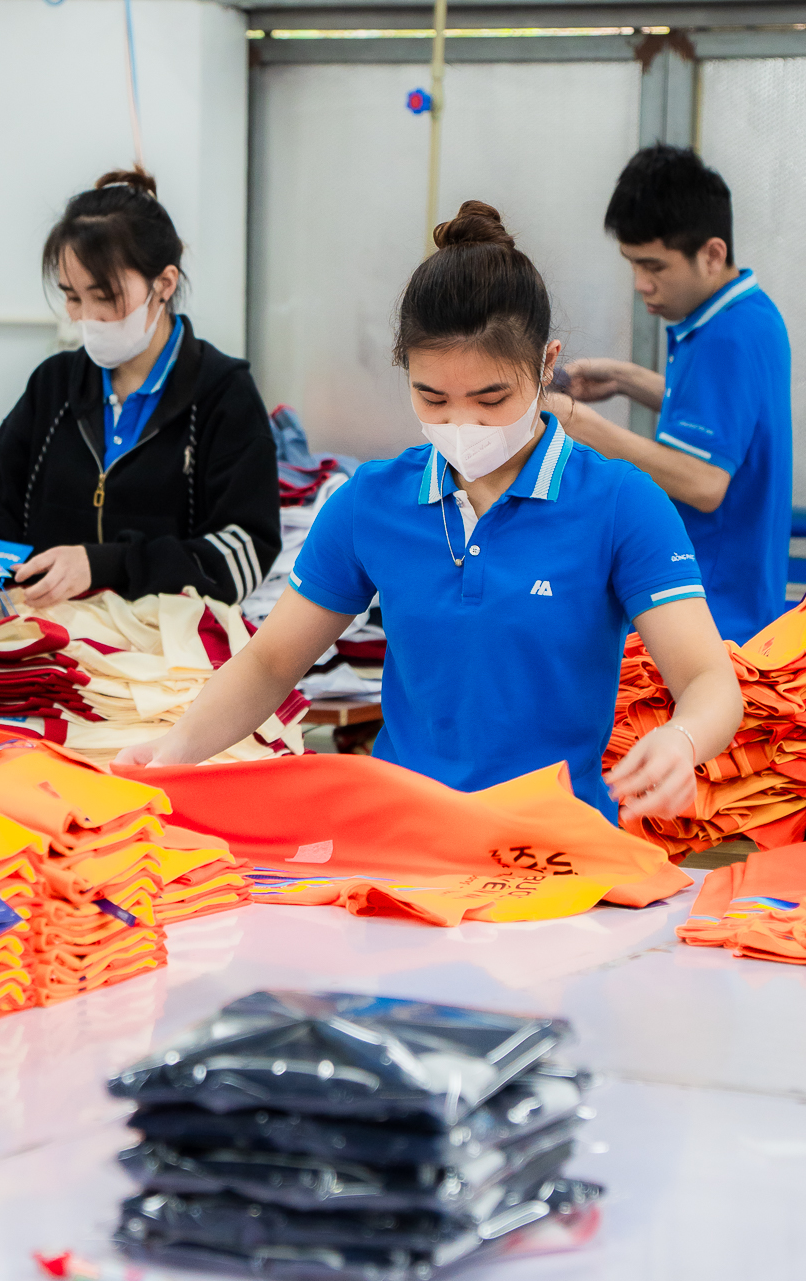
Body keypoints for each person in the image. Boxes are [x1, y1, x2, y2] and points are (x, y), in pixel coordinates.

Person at [115, 201, 743, 829]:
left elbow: (708, 680)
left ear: (546, 364)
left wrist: (683, 739)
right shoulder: (370, 502)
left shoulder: (620, 503)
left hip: (555, 846)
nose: (461, 422)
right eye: (432, 398)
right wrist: (175, 751)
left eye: (491, 398)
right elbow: (271, 662)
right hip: (404, 839)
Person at [0, 167, 280, 607]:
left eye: (104, 297)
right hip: (51, 637)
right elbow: (3, 510)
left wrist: (104, 566)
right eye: (72, 297)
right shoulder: (52, 387)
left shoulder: (221, 394)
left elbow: (244, 551)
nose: (85, 316)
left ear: (164, 284)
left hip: (165, 643)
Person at [556, 144, 792, 643]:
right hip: (739, 606)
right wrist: (624, 379)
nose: (641, 285)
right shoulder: (752, 314)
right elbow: (730, 418)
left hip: (716, 618)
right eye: (632, 265)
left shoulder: (724, 337)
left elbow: (705, 482)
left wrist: (580, 424)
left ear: (712, 254)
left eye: (655, 267)